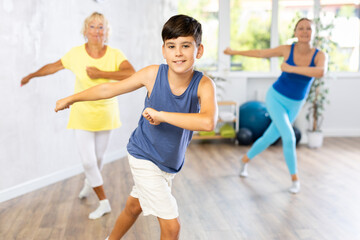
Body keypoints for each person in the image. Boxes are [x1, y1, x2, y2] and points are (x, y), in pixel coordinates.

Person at [55, 14, 217, 240]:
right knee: (172, 227)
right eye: (172, 46)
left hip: (168, 163)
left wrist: (161, 115)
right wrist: (73, 98)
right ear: (164, 50)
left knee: (133, 208)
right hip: (143, 156)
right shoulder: (152, 74)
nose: (178, 53)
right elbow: (107, 90)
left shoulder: (204, 84)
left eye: (185, 46)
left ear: (198, 50)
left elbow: (208, 121)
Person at [21, 12, 135, 219]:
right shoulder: (75, 54)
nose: (96, 31)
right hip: (82, 114)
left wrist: (102, 74)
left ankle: (88, 183)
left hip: (106, 114)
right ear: (85, 31)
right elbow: (53, 67)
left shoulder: (115, 54)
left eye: (101, 27)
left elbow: (130, 73)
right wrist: (31, 75)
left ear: (106, 32)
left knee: (98, 159)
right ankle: (104, 202)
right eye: (92, 26)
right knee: (89, 162)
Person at [224, 18, 327, 194]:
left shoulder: (319, 55)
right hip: (276, 98)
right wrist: (235, 51)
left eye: (308, 28)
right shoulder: (288, 49)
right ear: (295, 32)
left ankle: (244, 160)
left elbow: (320, 72)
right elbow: (261, 53)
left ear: (314, 32)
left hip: (295, 104)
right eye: (300, 28)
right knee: (289, 137)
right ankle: (295, 180)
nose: (304, 31)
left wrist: (291, 68)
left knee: (269, 138)